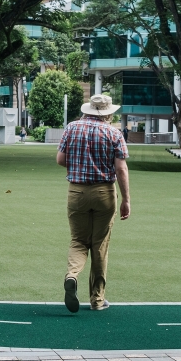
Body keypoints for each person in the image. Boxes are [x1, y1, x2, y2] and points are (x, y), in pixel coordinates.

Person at [56, 94, 130, 313]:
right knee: (100, 245)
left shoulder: (71, 128)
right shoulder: (114, 133)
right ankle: (97, 300)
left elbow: (60, 160)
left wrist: (78, 166)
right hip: (104, 192)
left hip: (76, 191)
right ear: (107, 113)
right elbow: (121, 168)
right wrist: (126, 199)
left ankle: (71, 276)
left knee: (78, 240)